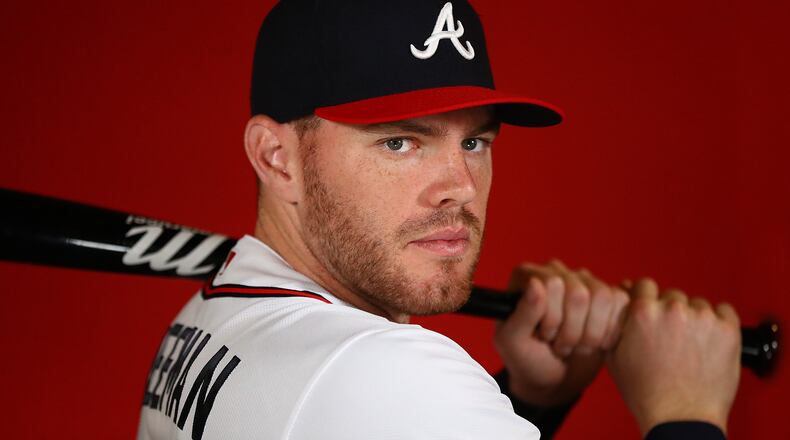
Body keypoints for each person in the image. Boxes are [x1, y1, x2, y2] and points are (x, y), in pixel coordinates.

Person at [137, 1, 742, 439]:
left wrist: (529, 400)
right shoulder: (389, 372)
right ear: (277, 158)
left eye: (475, 143)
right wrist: (686, 410)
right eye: (400, 143)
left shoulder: (207, 318)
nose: (460, 189)